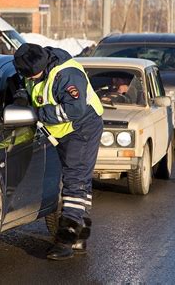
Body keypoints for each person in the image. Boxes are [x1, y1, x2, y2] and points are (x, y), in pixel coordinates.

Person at [13, 43, 104, 260]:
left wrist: (37, 113)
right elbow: (23, 86)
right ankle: (80, 234)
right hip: (60, 133)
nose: (31, 79)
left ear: (42, 67)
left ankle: (66, 240)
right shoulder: (30, 65)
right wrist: (20, 99)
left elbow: (75, 109)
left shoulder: (66, 74)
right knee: (79, 182)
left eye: (33, 76)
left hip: (81, 129)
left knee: (75, 183)